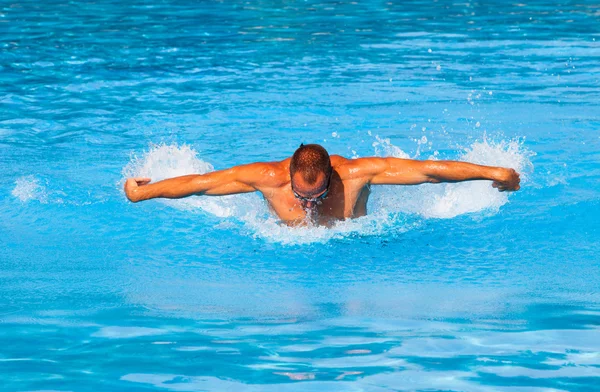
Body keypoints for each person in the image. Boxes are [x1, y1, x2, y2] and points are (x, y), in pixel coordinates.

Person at [124, 144, 520, 226]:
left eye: (318, 195)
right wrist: (141, 192)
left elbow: (431, 170)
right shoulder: (268, 178)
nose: (308, 204)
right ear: (290, 176)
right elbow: (200, 183)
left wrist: (494, 172)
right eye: (301, 195)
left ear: (331, 175)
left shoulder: (356, 173)